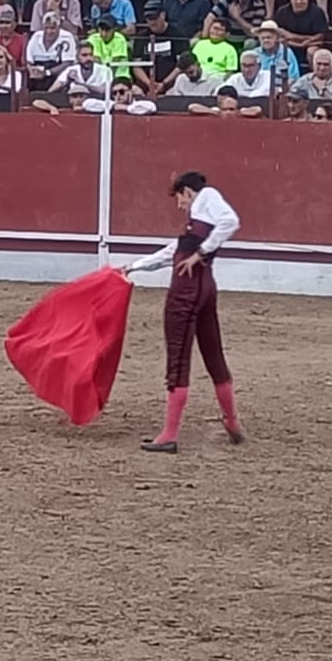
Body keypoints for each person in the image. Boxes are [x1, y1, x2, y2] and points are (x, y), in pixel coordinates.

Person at [119, 171, 245, 454]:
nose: (179, 205)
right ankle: (233, 422)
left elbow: (230, 221)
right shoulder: (197, 227)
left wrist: (201, 252)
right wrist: (134, 267)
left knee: (178, 360)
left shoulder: (207, 199)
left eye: (179, 198)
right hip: (205, 289)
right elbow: (170, 253)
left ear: (188, 192)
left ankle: (169, 435)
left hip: (185, 294)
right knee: (214, 355)